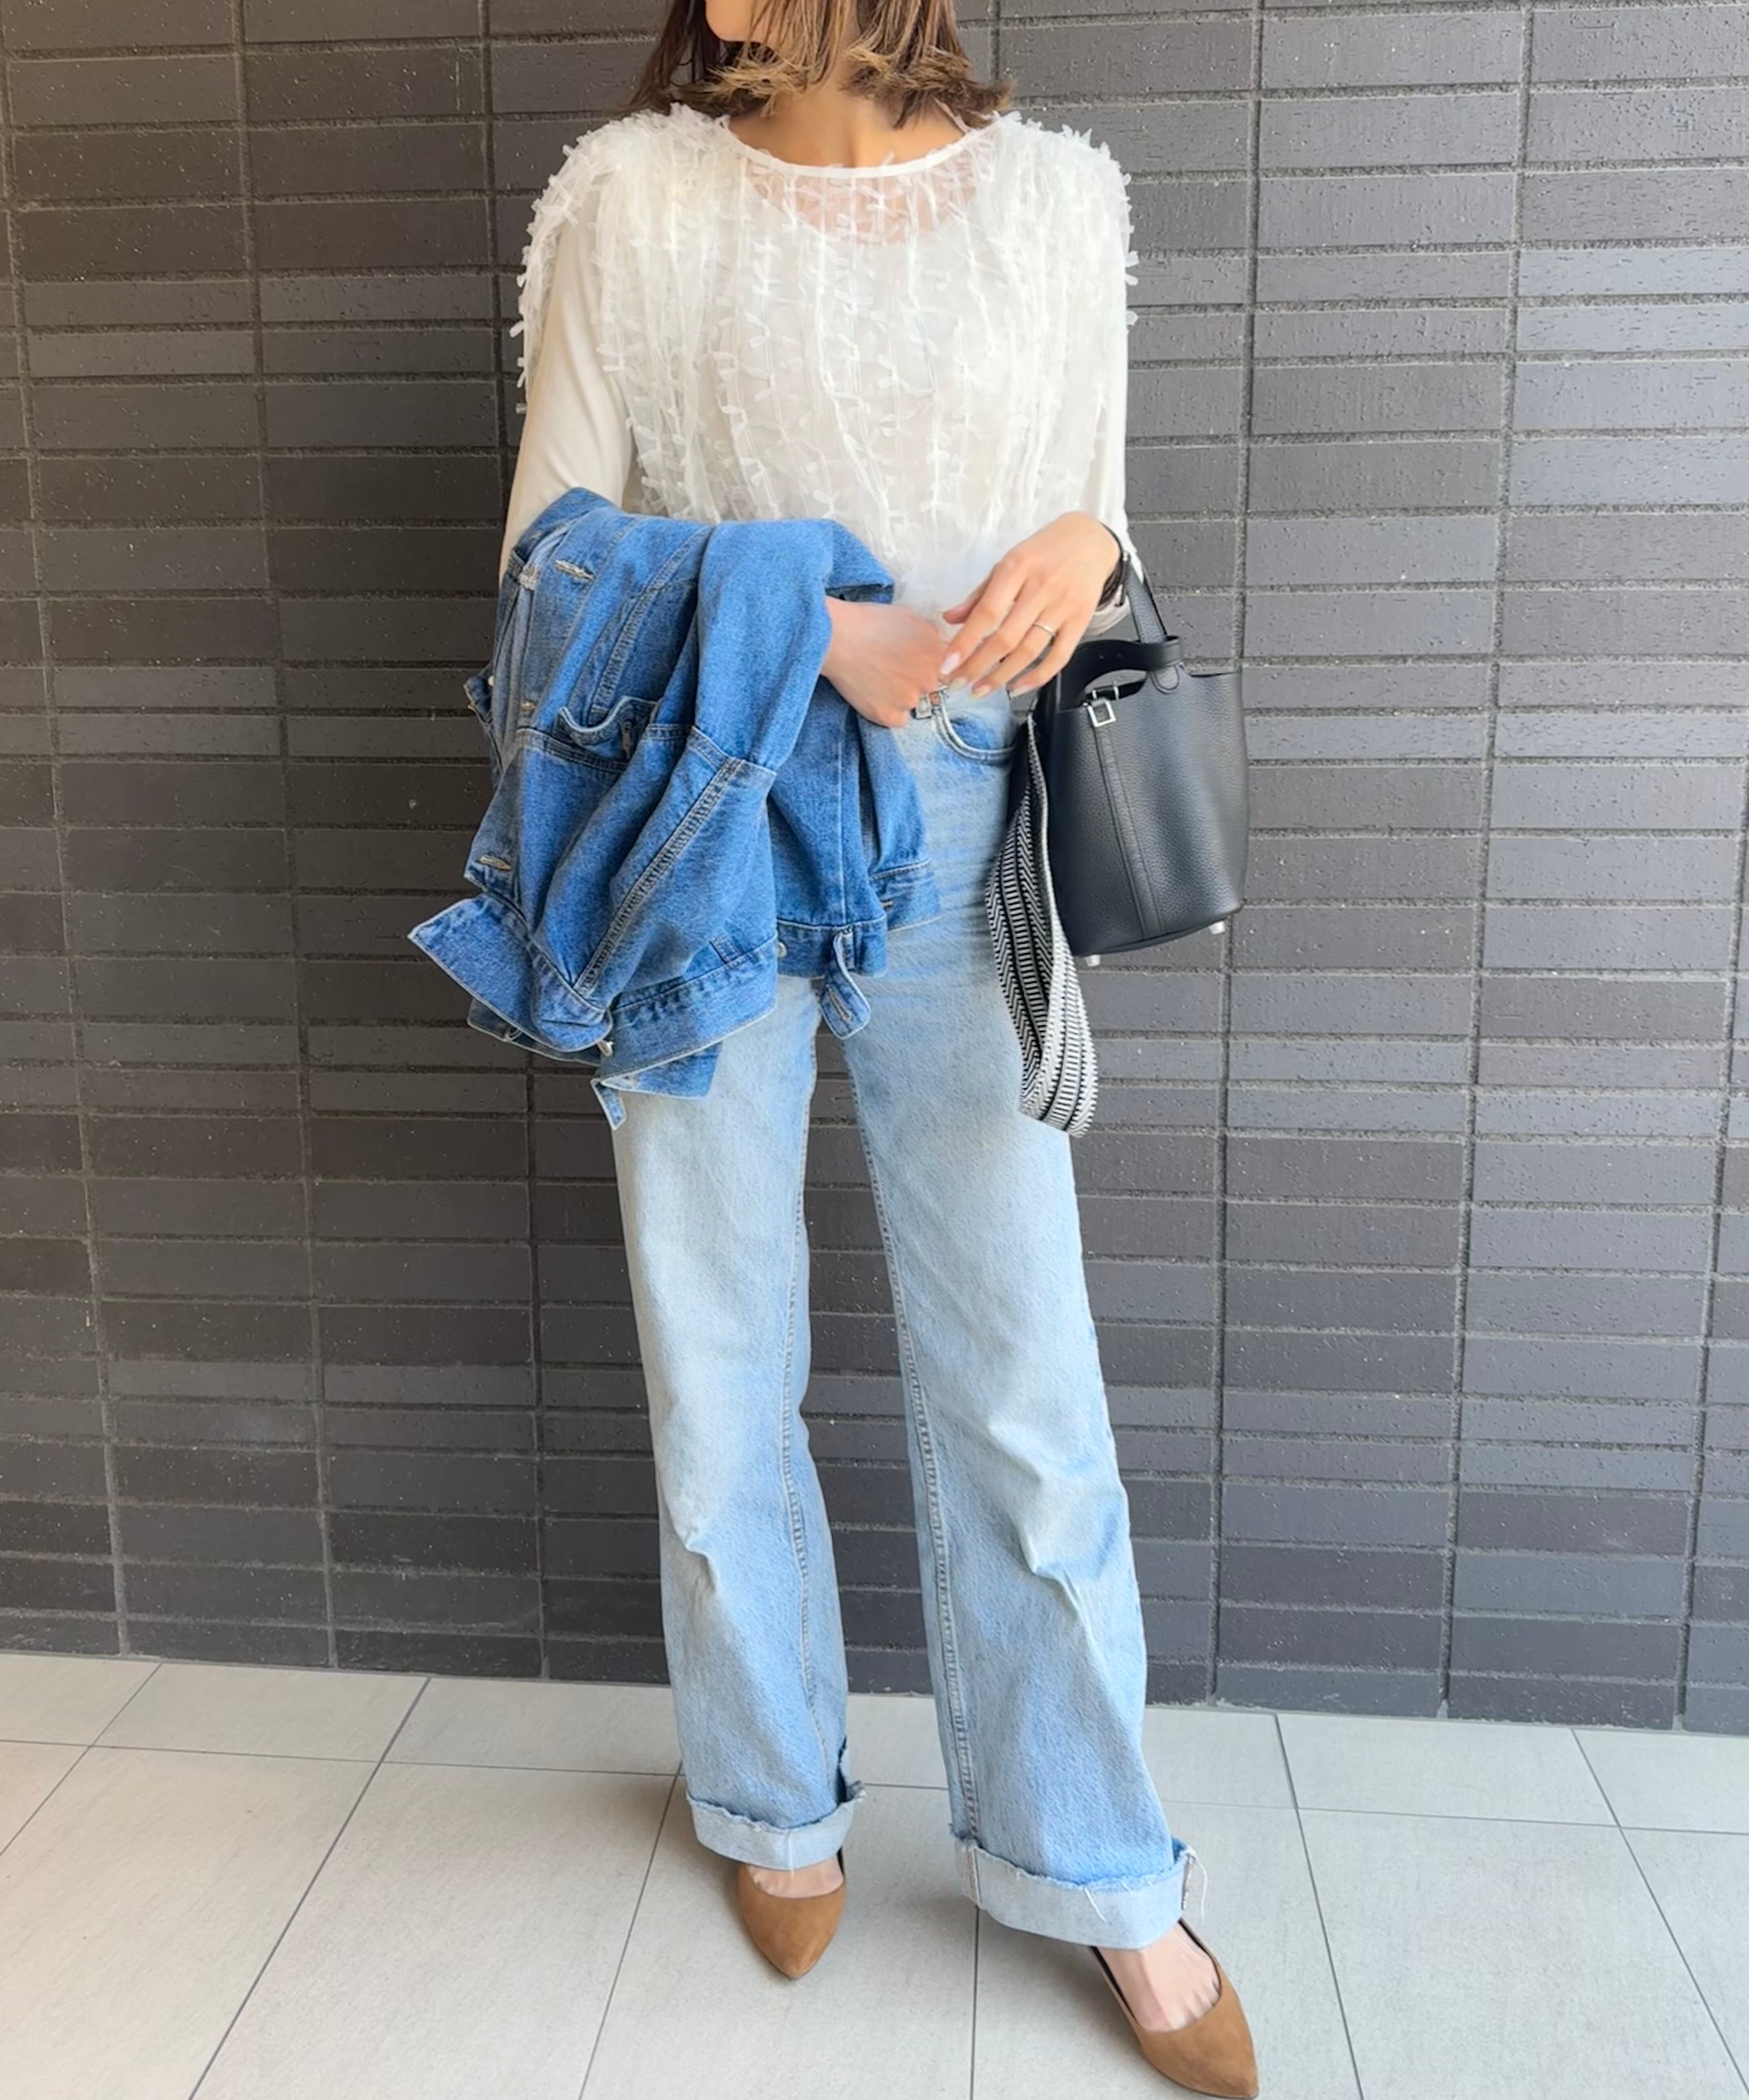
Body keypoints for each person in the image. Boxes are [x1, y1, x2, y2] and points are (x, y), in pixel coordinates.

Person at [498, 3, 1258, 2092]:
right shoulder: (629, 203)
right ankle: (770, 1800)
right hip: (706, 818)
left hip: (970, 822)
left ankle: (1098, 1866)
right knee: (717, 1346)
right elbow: (547, 561)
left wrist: (1093, 546)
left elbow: (1091, 518)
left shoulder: (1057, 203)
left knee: (1024, 1378)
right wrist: (812, 628)